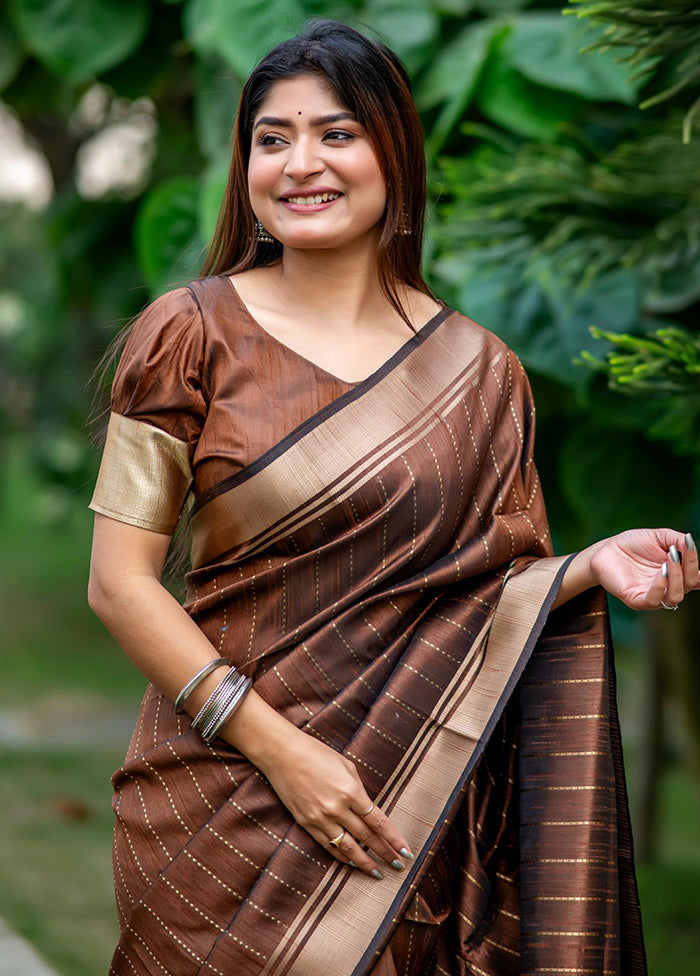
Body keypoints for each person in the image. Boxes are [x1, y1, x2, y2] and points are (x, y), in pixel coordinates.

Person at [88, 19, 698, 976]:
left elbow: (490, 593)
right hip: (219, 801)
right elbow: (120, 584)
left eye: (337, 133)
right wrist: (283, 753)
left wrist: (582, 570)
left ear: (394, 155)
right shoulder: (187, 334)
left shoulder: (481, 373)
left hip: (407, 800)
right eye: (272, 138)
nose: (300, 163)